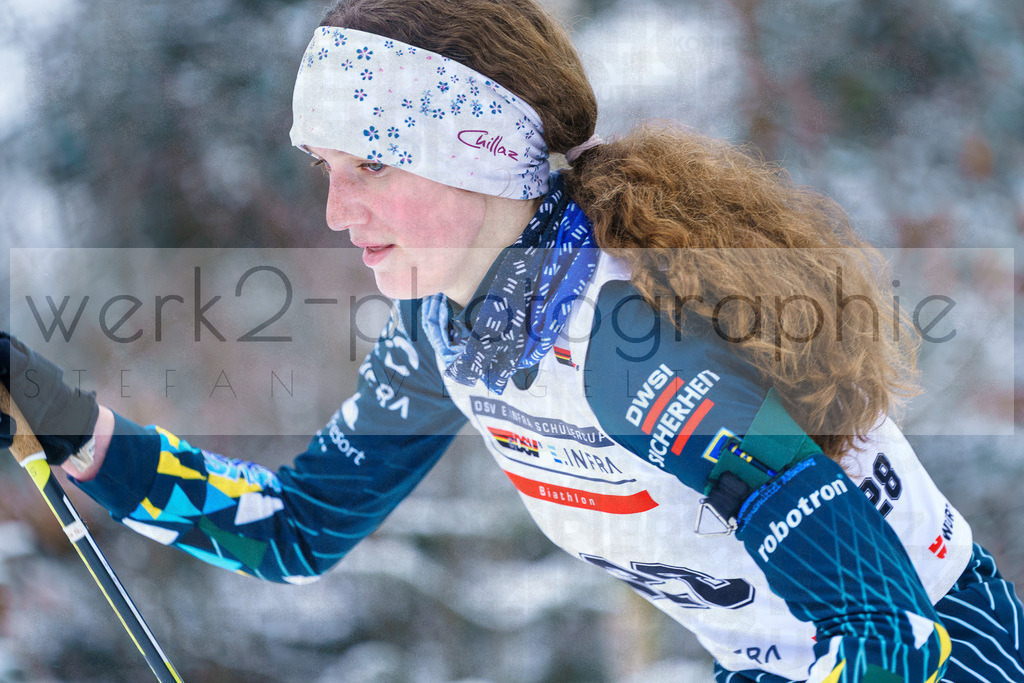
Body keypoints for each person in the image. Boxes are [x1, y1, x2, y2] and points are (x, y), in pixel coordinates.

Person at [2, 0, 1022, 680]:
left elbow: (889, 636)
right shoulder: (451, 326)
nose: (334, 212)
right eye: (322, 168)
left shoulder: (636, 343)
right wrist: (61, 416)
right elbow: (289, 529)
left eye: (368, 168)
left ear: (476, 157)